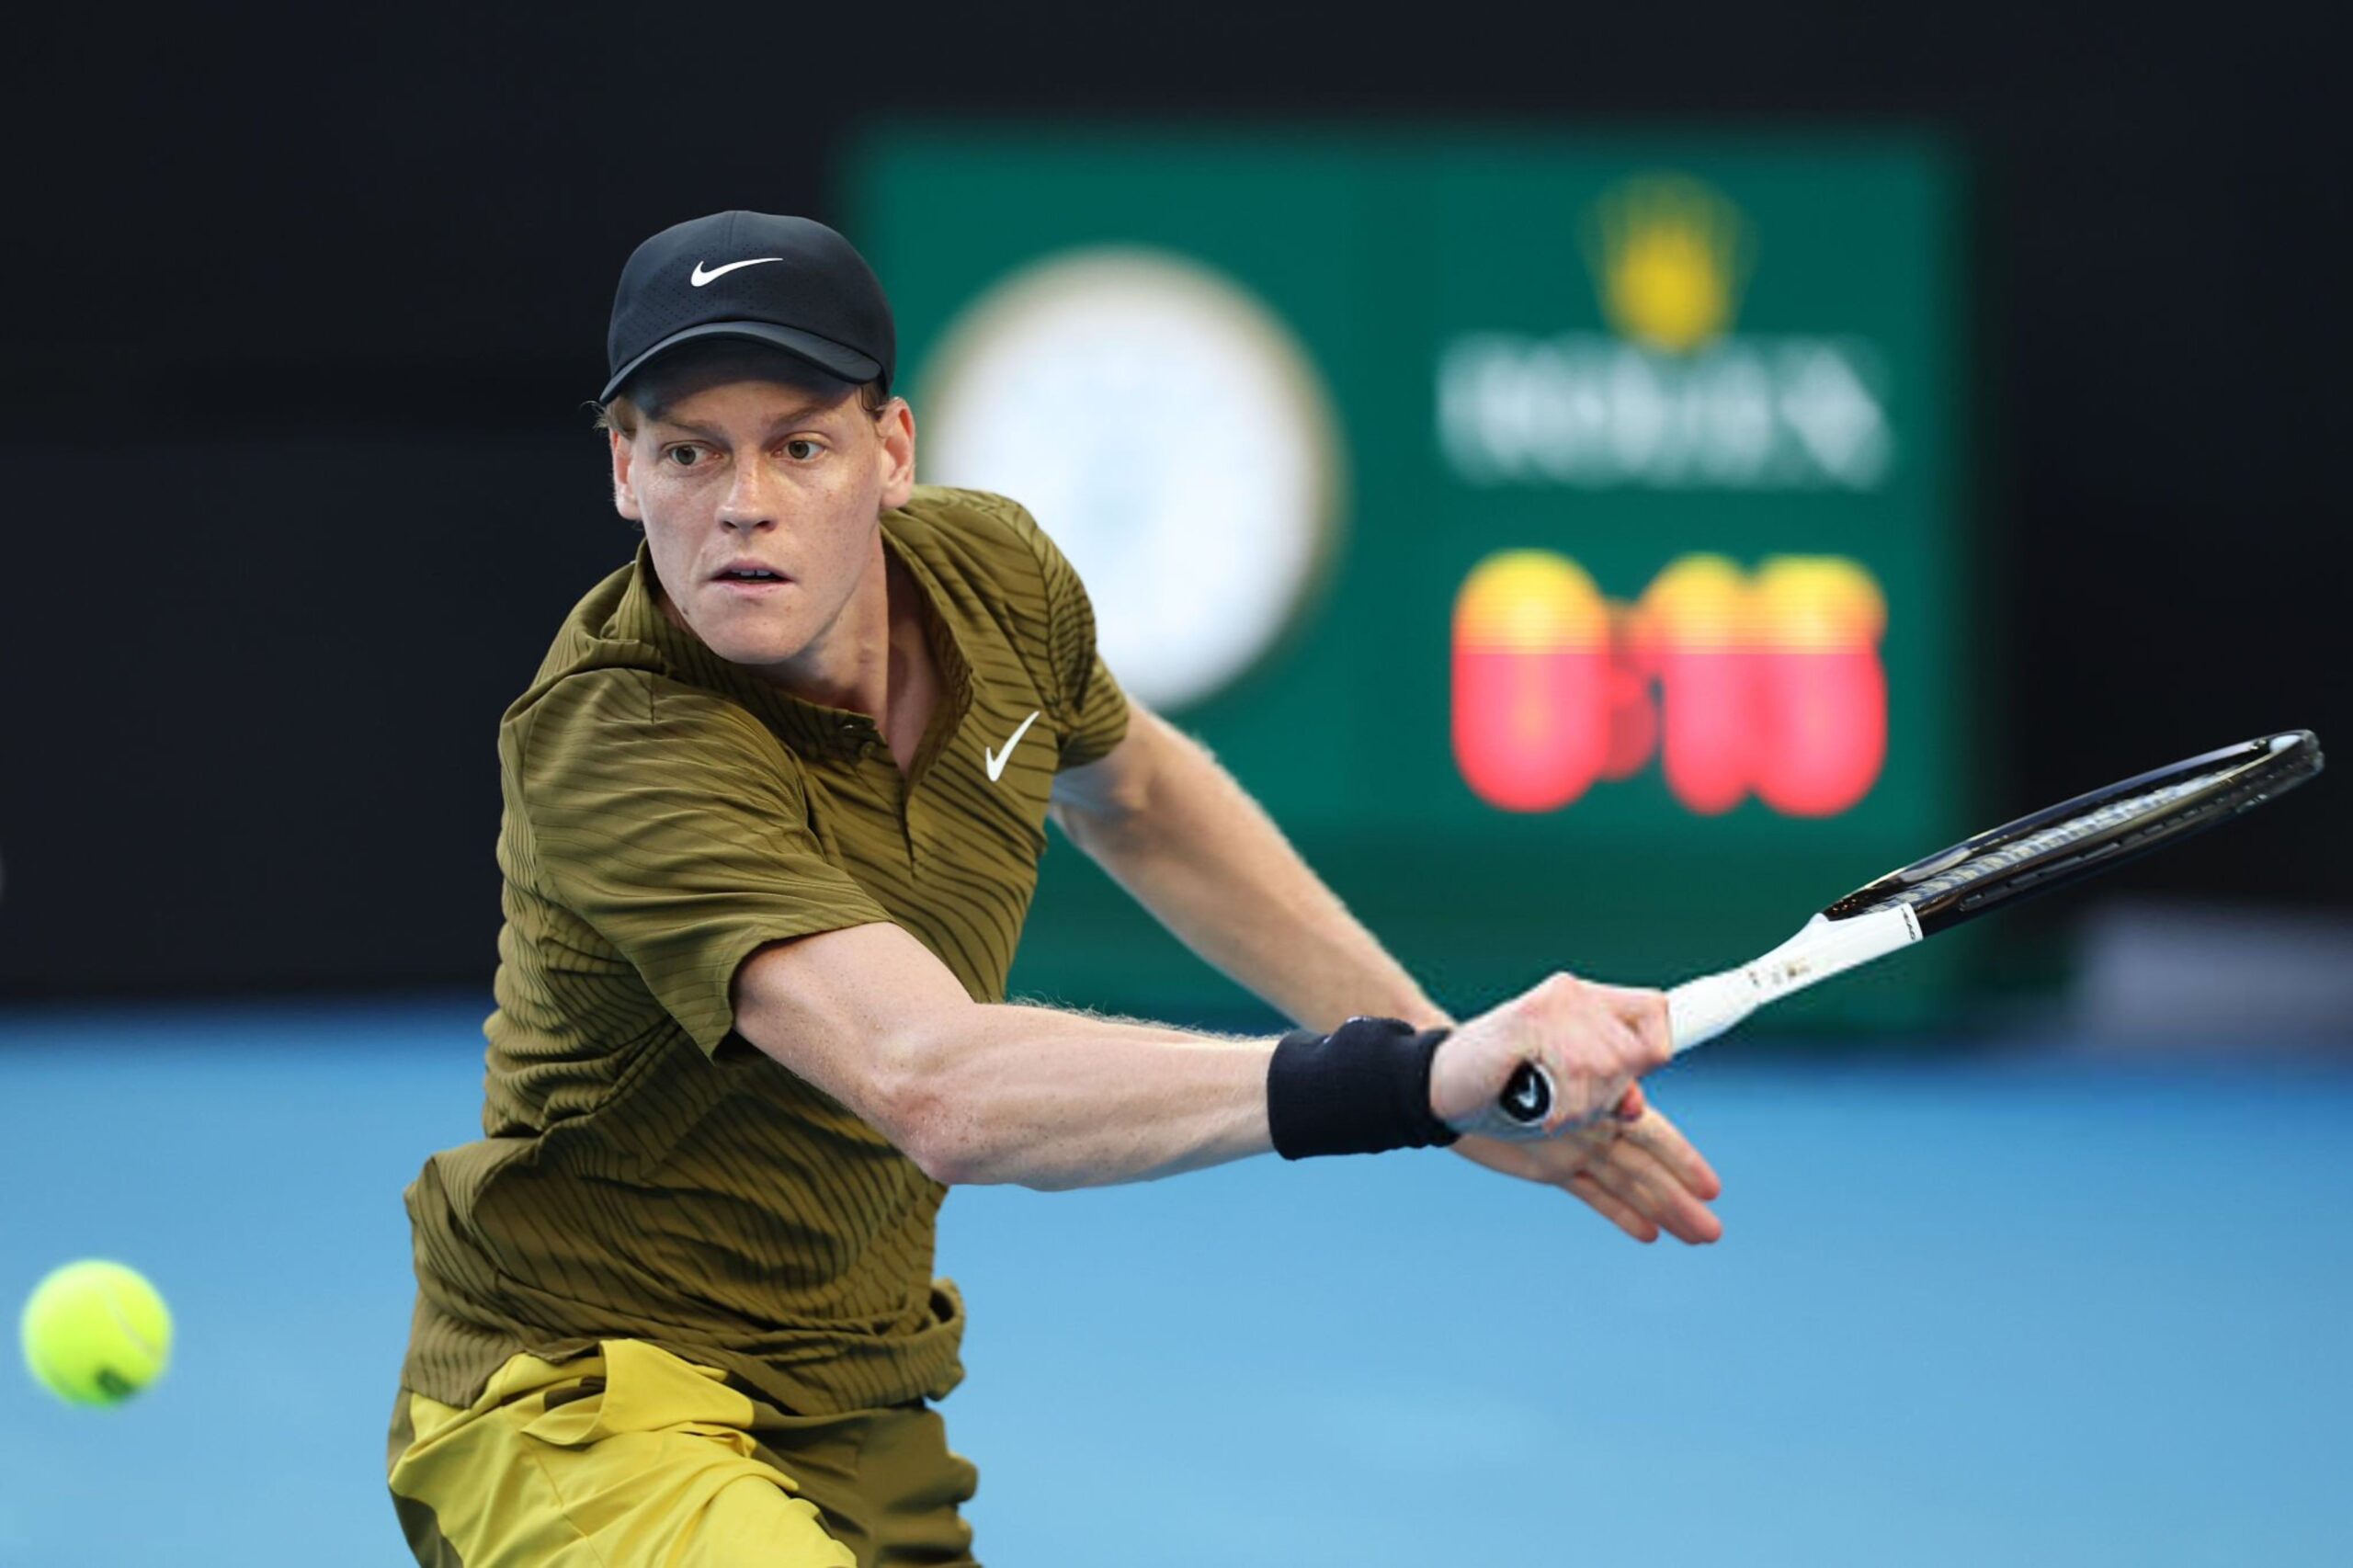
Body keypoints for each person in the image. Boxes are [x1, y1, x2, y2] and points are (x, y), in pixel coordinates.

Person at [386, 210, 1724, 1567]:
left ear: (890, 452)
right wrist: (1408, 1082)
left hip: (856, 1393)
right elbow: (932, 1083)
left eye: (799, 445)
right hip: (583, 1392)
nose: (744, 501)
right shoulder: (616, 740)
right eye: (690, 451)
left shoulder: (996, 576)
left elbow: (1142, 799)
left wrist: (1443, 1057)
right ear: (625, 468)